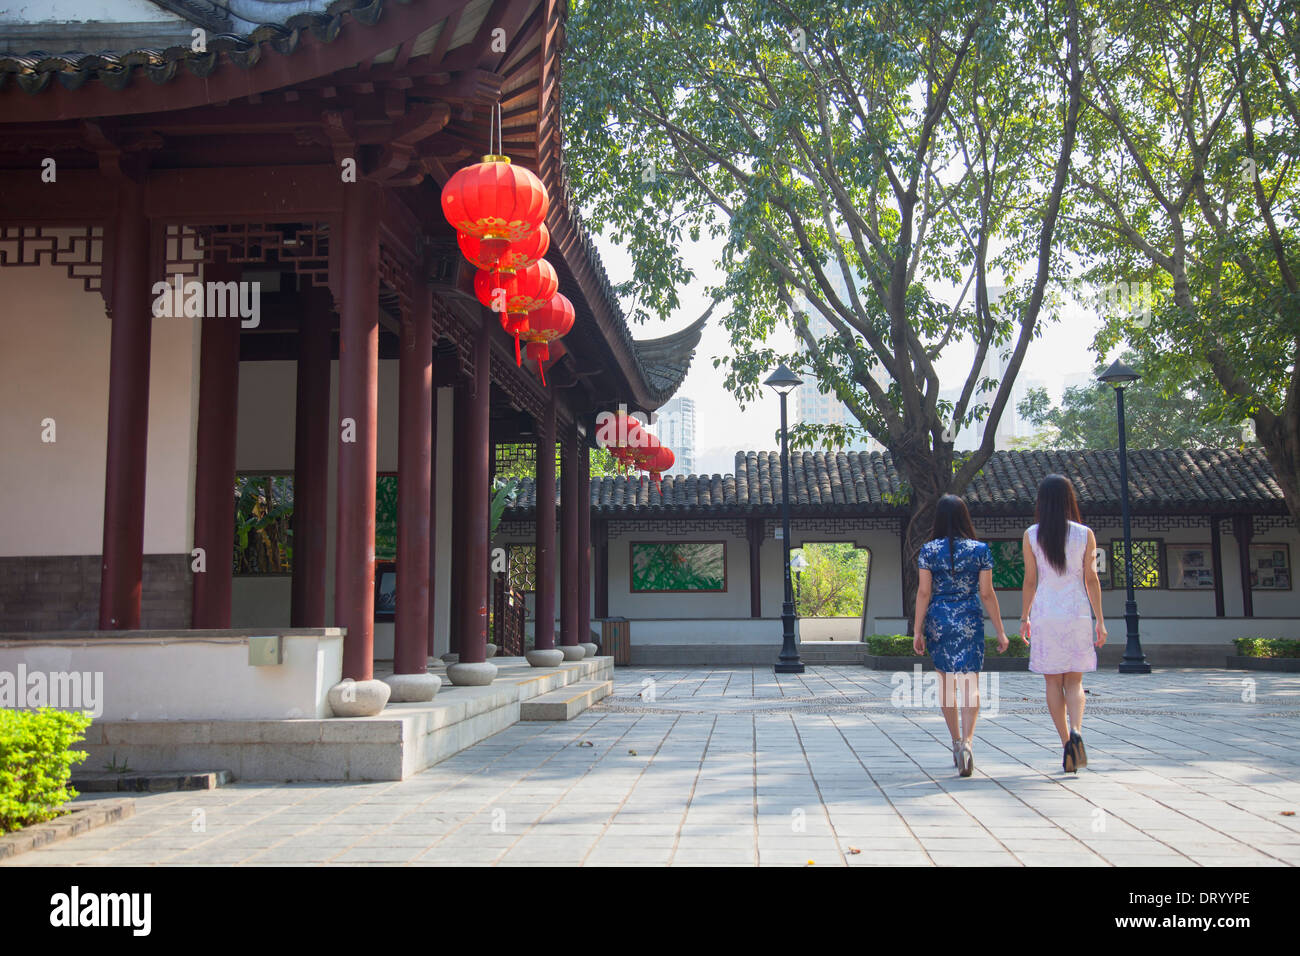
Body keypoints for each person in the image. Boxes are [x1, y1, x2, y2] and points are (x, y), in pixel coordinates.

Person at [913, 494, 1009, 777]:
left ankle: (955, 742)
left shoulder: (929, 550)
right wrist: (1001, 631)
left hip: (939, 619)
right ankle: (968, 742)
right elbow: (987, 593)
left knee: (945, 683)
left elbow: (924, 592)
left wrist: (917, 630)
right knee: (970, 683)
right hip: (969, 618)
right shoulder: (980, 550)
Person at [1020, 474, 1107, 773]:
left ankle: (1065, 743)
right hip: (1077, 612)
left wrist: (1024, 617)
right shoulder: (1085, 534)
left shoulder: (1032, 535)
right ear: (1070, 499)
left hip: (1045, 613)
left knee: (1052, 681)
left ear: (1041, 502)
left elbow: (1030, 580)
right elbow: (1091, 579)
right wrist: (1100, 620)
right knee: (1075, 681)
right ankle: (1078, 730)